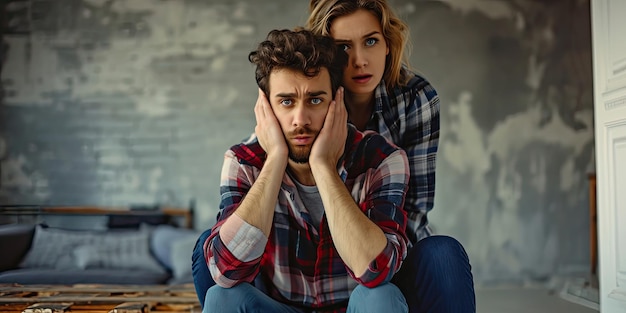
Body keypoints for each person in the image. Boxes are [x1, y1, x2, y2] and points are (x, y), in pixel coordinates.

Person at [198, 28, 411, 313]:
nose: (301, 119)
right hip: (281, 307)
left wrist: (323, 166)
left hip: (354, 307)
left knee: (381, 297)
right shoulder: (243, 161)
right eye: (286, 101)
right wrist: (275, 159)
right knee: (221, 297)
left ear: (337, 101)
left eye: (315, 100)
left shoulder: (381, 159)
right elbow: (225, 270)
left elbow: (376, 270)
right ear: (266, 106)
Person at [305, 0, 476, 312]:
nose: (359, 60)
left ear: (387, 44)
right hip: (318, 266)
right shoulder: (305, 103)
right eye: (343, 48)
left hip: (393, 255)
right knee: (207, 252)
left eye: (370, 41)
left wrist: (373, 264)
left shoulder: (416, 99)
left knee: (443, 254)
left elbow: (414, 211)